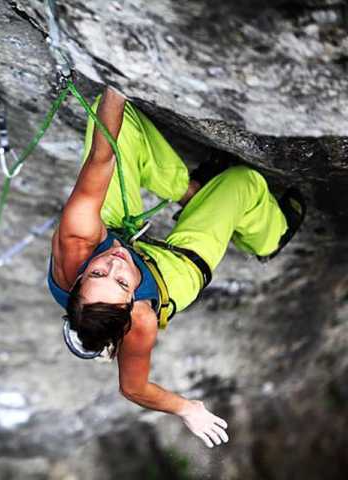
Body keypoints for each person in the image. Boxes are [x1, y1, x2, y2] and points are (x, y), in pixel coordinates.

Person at [47, 87, 306, 448]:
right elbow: (132, 387)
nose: (114, 263)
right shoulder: (141, 319)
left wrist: (113, 88)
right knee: (242, 182)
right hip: (167, 277)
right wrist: (186, 408)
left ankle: (189, 190)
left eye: (97, 273)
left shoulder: (78, 240)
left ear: (78, 282)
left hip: (109, 229)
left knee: (119, 126)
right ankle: (269, 236)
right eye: (121, 283)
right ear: (130, 303)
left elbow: (100, 159)